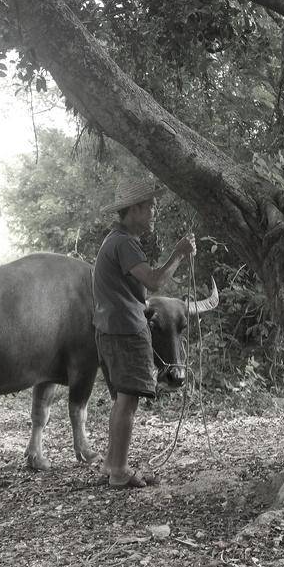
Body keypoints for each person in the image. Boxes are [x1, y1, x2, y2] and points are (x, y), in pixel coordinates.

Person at [93, 177, 196, 488]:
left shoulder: (113, 241)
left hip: (110, 329)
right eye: (149, 207)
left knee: (121, 400)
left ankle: (112, 464)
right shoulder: (123, 243)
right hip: (127, 330)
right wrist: (178, 253)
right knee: (128, 402)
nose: (153, 213)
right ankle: (121, 472)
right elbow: (154, 281)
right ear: (134, 209)